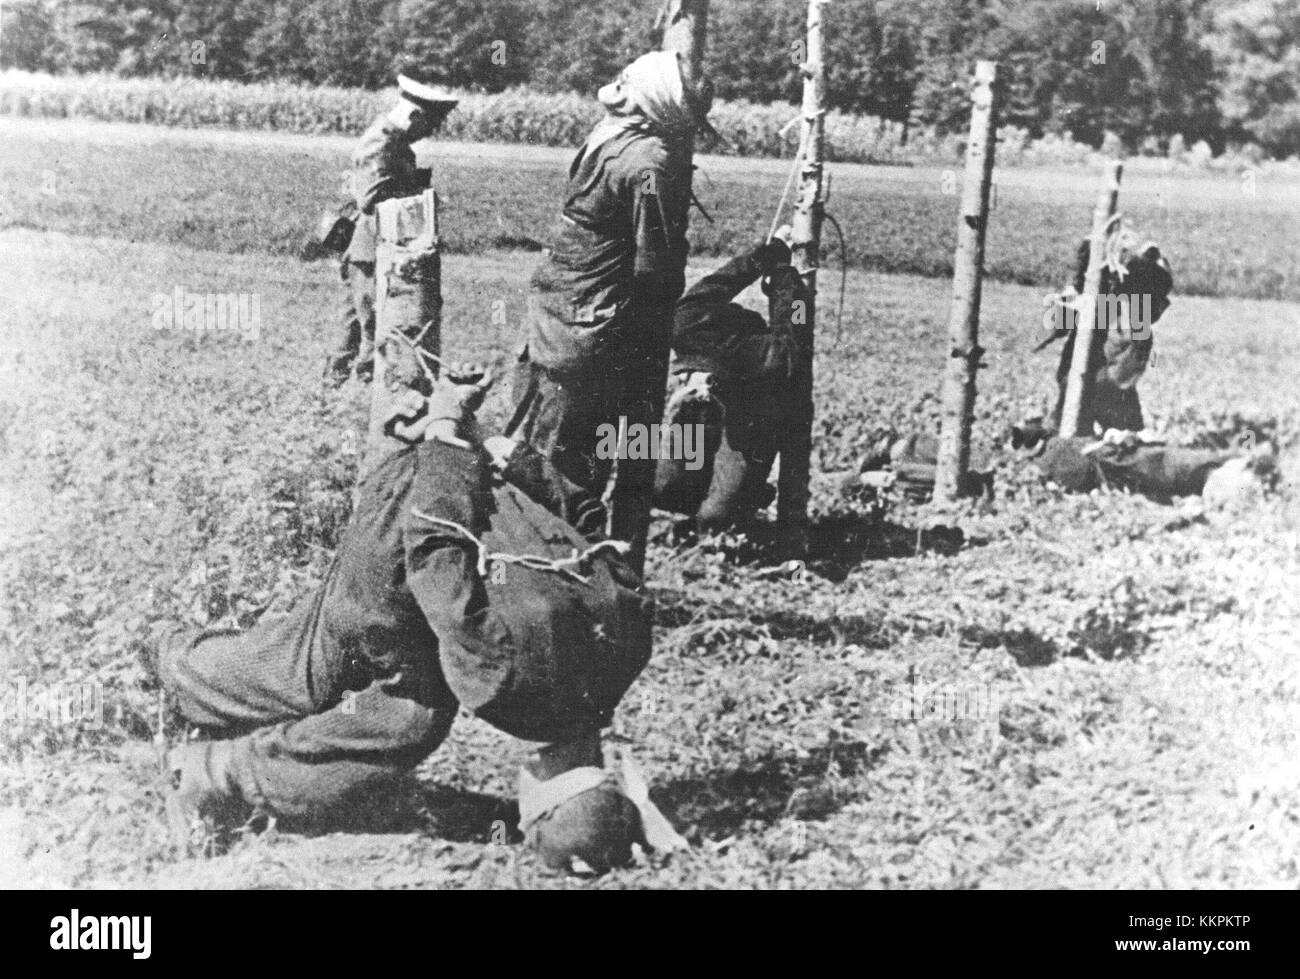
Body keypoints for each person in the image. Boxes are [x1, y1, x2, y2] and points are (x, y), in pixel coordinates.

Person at [147, 370, 678, 873]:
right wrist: (446, 436)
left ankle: (175, 681)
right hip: (406, 540)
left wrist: (481, 442)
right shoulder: (509, 683)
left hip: (455, 492)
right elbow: (434, 549)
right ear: (540, 800)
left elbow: (587, 518)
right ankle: (201, 751)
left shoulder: (628, 645)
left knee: (314, 666)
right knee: (376, 701)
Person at [510, 50, 714, 565]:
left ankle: (562, 576)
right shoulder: (635, 149)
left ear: (646, 98)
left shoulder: (631, 150)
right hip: (574, 329)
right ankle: (557, 574)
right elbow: (652, 263)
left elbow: (649, 260)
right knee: (556, 465)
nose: (616, 82)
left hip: (571, 330)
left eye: (629, 79)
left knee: (558, 466)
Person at [652, 233, 813, 531]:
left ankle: (745, 492)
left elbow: (795, 319)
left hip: (750, 416)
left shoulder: (770, 357)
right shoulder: (686, 322)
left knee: (717, 518)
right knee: (664, 491)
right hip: (700, 415)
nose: (697, 386)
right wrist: (767, 255)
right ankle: (701, 483)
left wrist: (783, 276)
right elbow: (718, 283)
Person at [325, 75, 458, 387]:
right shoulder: (382, 142)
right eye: (429, 125)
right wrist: (419, 197)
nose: (430, 133)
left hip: (372, 245)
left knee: (356, 319)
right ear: (414, 117)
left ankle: (338, 383)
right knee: (372, 321)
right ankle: (364, 383)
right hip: (371, 247)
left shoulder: (393, 142)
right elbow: (372, 199)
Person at [1042, 220, 1173, 434]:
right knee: (1079, 414)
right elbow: (1058, 324)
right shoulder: (1093, 293)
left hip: (1111, 376)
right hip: (1091, 370)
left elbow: (1129, 362)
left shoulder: (1135, 307)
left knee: (1118, 418)